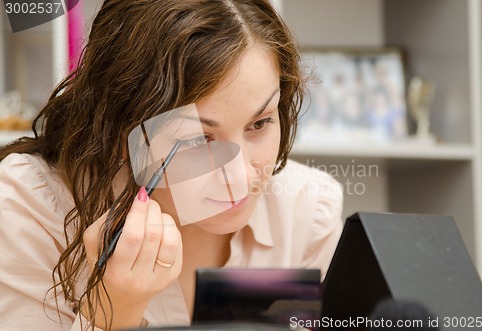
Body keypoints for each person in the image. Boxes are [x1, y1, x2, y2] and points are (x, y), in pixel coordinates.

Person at [0, 0, 344, 330]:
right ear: (122, 131)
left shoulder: (307, 209)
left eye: (260, 123)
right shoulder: (28, 206)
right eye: (199, 139)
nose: (239, 178)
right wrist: (114, 310)